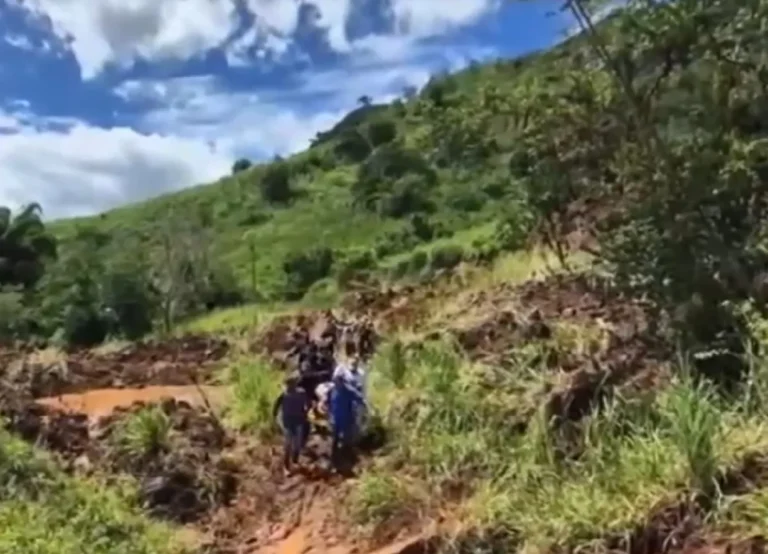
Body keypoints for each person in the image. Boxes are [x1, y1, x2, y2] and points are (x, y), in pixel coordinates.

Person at [273, 374, 311, 473]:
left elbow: (307, 403)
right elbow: (275, 407)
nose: (290, 386)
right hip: (288, 423)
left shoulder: (301, 393)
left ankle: (295, 461)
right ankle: (286, 467)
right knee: (288, 445)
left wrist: (306, 411)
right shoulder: (284, 395)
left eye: (292, 384)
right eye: (288, 384)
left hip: (299, 421)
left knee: (297, 444)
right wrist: (276, 419)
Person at [328, 372, 366, 470]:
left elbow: (359, 398)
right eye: (336, 381)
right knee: (335, 440)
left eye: (339, 381)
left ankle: (347, 460)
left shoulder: (348, 390)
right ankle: (333, 461)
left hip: (347, 418)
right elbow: (329, 402)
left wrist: (363, 407)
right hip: (336, 419)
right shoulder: (333, 390)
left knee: (346, 439)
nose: (337, 383)